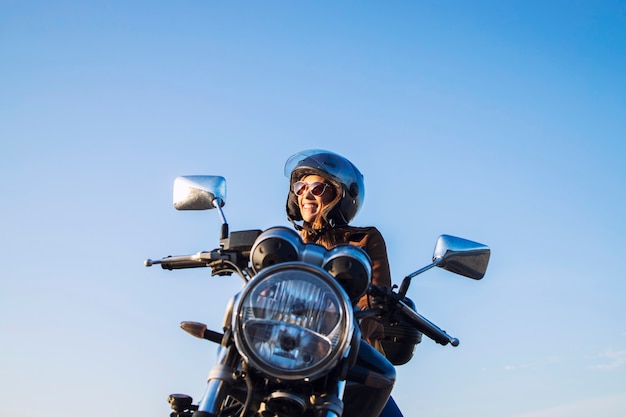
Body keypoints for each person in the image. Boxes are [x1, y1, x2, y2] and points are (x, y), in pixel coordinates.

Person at [284, 149, 401, 417]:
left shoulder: (364, 239)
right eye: (300, 187)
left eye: (317, 187)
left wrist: (361, 316)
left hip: (347, 353)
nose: (306, 195)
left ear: (340, 196)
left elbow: (374, 297)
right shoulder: (285, 245)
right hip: (287, 348)